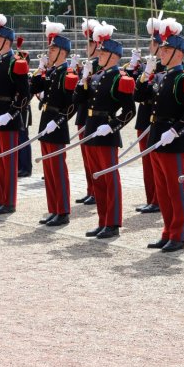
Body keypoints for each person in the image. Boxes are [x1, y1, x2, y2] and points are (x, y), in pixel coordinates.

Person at [73, 21, 136, 239]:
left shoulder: (120, 78)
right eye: (99, 51)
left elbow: (129, 112)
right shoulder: (96, 76)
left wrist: (112, 126)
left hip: (106, 133)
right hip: (91, 131)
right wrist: (83, 80)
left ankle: (113, 222)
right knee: (97, 180)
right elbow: (78, 100)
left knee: (110, 179)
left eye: (103, 52)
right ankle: (102, 221)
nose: (98, 54)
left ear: (113, 56)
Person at [145, 19, 184, 252]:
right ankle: (167, 231)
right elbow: (141, 95)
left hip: (174, 141)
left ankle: (178, 235)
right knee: (164, 191)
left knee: (177, 191)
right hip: (157, 137)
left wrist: (175, 131)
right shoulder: (161, 77)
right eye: (162, 49)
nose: (161, 53)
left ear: (178, 53)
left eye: (166, 50)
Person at [31, 19, 78, 226]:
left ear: (62, 52)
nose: (49, 52)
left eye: (53, 49)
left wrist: (58, 121)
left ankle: (63, 210)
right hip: (46, 121)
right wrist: (40, 70)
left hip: (57, 124)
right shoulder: (51, 72)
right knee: (49, 171)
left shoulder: (68, 74)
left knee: (58, 170)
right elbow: (34, 88)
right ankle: (53, 208)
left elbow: (71, 105)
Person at [0, 14, 30, 216]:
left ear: (8, 42)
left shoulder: (15, 62)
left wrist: (11, 114)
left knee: (8, 162)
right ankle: (0, 199)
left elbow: (24, 95)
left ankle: (9, 201)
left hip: (8, 117)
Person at [131, 14, 164, 214]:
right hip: (144, 118)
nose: (151, 47)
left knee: (157, 164)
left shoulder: (165, 68)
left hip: (156, 118)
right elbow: (136, 93)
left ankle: (158, 199)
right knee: (147, 163)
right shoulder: (147, 66)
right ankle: (151, 198)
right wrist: (138, 68)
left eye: (154, 44)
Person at [73, 18, 101, 206]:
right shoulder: (87, 64)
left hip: (93, 116)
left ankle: (96, 190)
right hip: (83, 115)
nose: (86, 47)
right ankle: (90, 189)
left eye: (89, 43)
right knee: (86, 158)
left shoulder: (99, 65)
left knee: (94, 159)